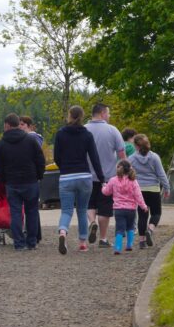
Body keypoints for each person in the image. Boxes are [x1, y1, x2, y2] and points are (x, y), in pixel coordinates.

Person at [52, 105, 104, 254]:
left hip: (67, 176)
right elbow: (94, 158)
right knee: (82, 210)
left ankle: (63, 232)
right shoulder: (87, 134)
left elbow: (57, 157)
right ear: (82, 116)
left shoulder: (61, 134)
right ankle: (82, 243)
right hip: (84, 176)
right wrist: (101, 178)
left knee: (67, 211)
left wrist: (64, 168)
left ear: (69, 115)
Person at [0, 112, 46, 251]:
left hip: (12, 183)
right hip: (30, 181)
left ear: (7, 125)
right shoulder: (30, 141)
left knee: (16, 213)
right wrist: (38, 176)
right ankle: (32, 242)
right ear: (18, 124)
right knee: (32, 212)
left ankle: (19, 243)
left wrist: (5, 181)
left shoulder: (1, 144)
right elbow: (40, 160)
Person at [85, 103, 126, 248]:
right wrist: (124, 173)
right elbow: (121, 154)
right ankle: (103, 239)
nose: (109, 116)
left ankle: (92, 222)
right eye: (108, 113)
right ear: (102, 113)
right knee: (105, 207)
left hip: (87, 176)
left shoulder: (84, 130)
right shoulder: (112, 130)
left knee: (89, 203)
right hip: (108, 177)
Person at [130, 133, 170, 249]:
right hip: (153, 189)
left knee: (142, 215)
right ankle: (150, 229)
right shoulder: (154, 157)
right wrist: (167, 188)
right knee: (156, 213)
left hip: (139, 190)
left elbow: (128, 174)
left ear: (136, 146)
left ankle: (142, 241)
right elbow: (161, 174)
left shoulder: (131, 159)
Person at [102, 159, 148, 254]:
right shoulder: (133, 181)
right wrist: (143, 206)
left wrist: (103, 187)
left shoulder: (113, 180)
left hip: (119, 210)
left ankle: (118, 248)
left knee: (119, 228)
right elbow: (138, 195)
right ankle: (129, 245)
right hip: (131, 209)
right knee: (130, 227)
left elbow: (107, 192)